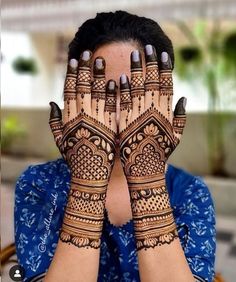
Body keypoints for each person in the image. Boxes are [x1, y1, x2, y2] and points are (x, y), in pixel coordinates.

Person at [14, 11, 216, 282]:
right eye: (100, 92)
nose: (117, 112)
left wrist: (147, 179)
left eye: (136, 94)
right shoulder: (39, 184)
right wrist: (88, 180)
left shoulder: (190, 192)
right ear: (73, 97)